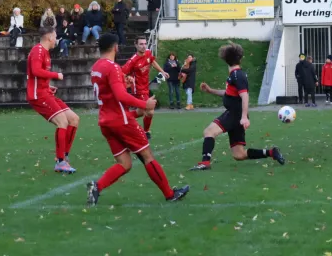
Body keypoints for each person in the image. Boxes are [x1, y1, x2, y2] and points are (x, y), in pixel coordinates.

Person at [87, 33, 190, 206]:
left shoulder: (96, 67)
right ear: (116, 47)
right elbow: (120, 96)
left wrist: (124, 85)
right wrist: (145, 104)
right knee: (147, 156)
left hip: (106, 122)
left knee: (125, 163)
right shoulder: (112, 67)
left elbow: (110, 92)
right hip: (121, 121)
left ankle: (96, 187)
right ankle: (170, 194)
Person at [189, 42, 285, 170]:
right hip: (237, 115)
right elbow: (229, 93)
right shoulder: (235, 74)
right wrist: (210, 90)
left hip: (235, 114)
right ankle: (272, 152)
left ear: (225, 59)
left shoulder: (237, 75)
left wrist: (244, 117)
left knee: (209, 132)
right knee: (239, 154)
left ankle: (205, 163)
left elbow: (244, 96)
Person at [27, 26, 80, 173]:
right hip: (38, 95)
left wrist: (48, 86)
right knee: (62, 121)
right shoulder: (38, 51)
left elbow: (37, 76)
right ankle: (60, 161)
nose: (56, 39)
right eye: (55, 36)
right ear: (49, 37)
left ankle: (65, 156)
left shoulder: (45, 52)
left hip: (45, 92)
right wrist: (56, 75)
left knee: (74, 119)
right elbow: (35, 71)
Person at [122, 36, 169, 139]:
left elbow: (152, 61)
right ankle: (146, 131)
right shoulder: (132, 61)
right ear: (136, 45)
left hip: (145, 87)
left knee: (142, 112)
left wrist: (162, 71)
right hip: (138, 89)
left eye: (145, 44)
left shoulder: (147, 53)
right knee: (150, 110)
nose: (143, 46)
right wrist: (128, 77)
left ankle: (123, 118)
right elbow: (122, 73)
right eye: (141, 44)